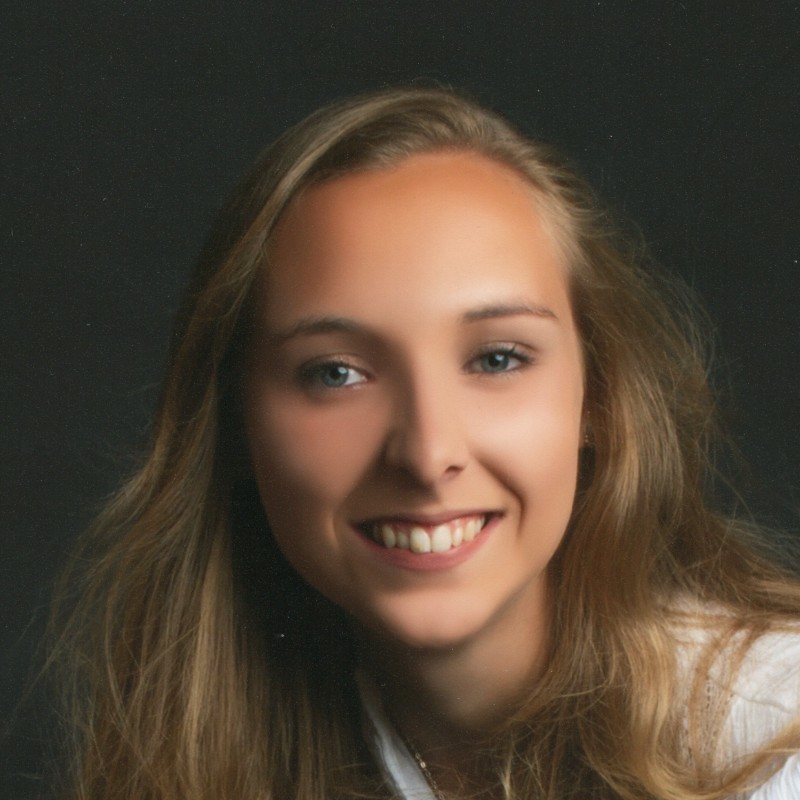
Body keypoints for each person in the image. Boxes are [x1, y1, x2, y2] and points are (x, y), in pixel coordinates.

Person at [52, 86, 800, 799]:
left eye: (497, 359)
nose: (426, 453)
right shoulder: (201, 748)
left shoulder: (776, 743)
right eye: (336, 373)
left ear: (597, 397)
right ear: (234, 422)